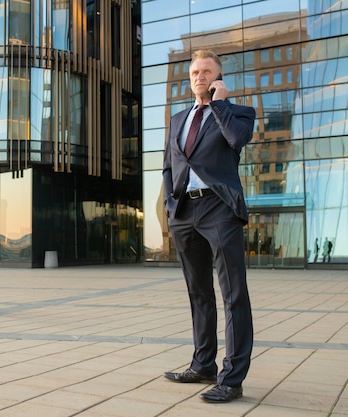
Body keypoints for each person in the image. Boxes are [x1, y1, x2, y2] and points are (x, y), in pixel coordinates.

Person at [162, 50, 256, 403]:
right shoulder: (177, 119)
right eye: (195, 72)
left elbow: (236, 141)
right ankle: (203, 364)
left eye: (206, 72)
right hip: (185, 212)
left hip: (220, 209)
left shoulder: (238, 113)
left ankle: (232, 379)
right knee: (198, 292)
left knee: (234, 295)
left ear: (219, 78)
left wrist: (218, 104)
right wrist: (172, 207)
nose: (199, 77)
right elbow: (169, 166)